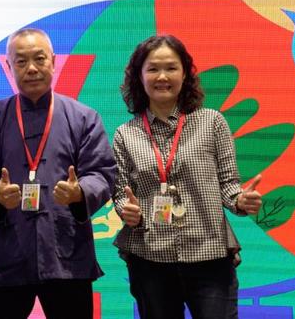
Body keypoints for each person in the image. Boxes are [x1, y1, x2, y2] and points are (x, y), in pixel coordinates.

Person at [0, 27, 116, 319]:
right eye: (21, 61)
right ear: (9, 67)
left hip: (66, 256)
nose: (31, 68)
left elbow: (102, 172)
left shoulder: (83, 117)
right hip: (5, 256)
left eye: (39, 59)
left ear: (53, 62)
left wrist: (80, 192)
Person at [112, 34, 263, 318]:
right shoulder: (125, 134)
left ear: (185, 73)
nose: (162, 77)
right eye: (153, 69)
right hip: (150, 258)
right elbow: (121, 193)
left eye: (171, 67)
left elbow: (228, 185)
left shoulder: (212, 122)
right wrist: (126, 210)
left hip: (209, 254)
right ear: (139, 76)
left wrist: (240, 201)